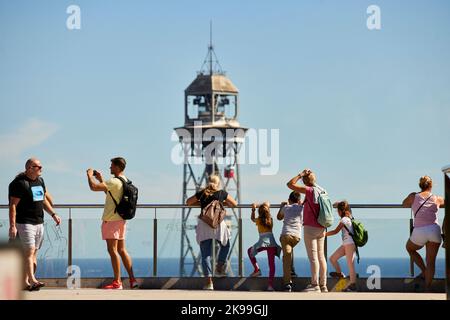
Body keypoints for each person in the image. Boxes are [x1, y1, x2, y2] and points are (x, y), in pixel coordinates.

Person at [8, 158, 61, 291]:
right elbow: (13, 205)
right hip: (25, 223)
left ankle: (25, 282)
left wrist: (53, 214)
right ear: (30, 168)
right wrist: (12, 225)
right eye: (38, 166)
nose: (41, 169)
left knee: (33, 254)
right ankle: (33, 279)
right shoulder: (19, 183)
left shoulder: (40, 181)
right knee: (29, 252)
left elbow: (42, 201)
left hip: (39, 222)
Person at [87, 157, 138, 290]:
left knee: (112, 250)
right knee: (121, 249)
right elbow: (110, 194)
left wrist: (89, 175)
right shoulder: (125, 181)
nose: (110, 168)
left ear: (117, 167)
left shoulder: (114, 181)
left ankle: (117, 282)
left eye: (111, 166)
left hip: (111, 220)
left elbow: (93, 188)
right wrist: (101, 180)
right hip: (121, 219)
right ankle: (133, 280)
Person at [186, 175, 237, 290]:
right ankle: (219, 268)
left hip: (204, 224)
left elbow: (188, 202)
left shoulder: (203, 193)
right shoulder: (221, 193)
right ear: (218, 184)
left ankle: (209, 283)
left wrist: (200, 203)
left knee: (205, 254)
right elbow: (234, 204)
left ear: (208, 182)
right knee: (226, 245)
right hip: (218, 224)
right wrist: (223, 202)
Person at [287, 169, 328, 293]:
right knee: (321, 256)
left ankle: (315, 285)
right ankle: (324, 285)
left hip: (310, 227)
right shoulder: (322, 190)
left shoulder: (309, 191)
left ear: (305, 181)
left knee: (313, 257)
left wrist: (300, 174)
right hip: (322, 226)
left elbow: (289, 184)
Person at [402, 175, 445, 292]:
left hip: (420, 230)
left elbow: (403, 203)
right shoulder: (437, 198)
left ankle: (424, 271)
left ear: (420, 185)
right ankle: (427, 288)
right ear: (431, 186)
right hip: (434, 230)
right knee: (431, 261)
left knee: (410, 248)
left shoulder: (413, 196)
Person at [248, 202, 282, 291]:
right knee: (271, 264)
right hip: (271, 243)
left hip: (262, 242)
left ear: (259, 212)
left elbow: (252, 219)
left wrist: (253, 209)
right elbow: (267, 203)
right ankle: (270, 285)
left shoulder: (259, 220)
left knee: (250, 251)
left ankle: (256, 269)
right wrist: (264, 206)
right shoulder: (270, 219)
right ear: (268, 211)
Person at [326, 201, 357, 292]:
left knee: (350, 264)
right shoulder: (350, 216)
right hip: (345, 244)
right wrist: (338, 204)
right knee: (332, 258)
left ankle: (353, 285)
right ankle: (340, 274)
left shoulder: (344, 219)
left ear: (340, 211)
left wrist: (324, 234)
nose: (337, 212)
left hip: (350, 244)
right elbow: (347, 206)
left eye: (337, 210)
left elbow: (335, 231)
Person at [277, 191, 303, 292]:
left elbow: (279, 218)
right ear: (299, 200)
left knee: (286, 257)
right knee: (289, 253)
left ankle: (287, 282)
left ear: (289, 200)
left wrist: (281, 206)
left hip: (286, 235)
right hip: (297, 237)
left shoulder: (286, 207)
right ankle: (292, 271)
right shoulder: (302, 208)